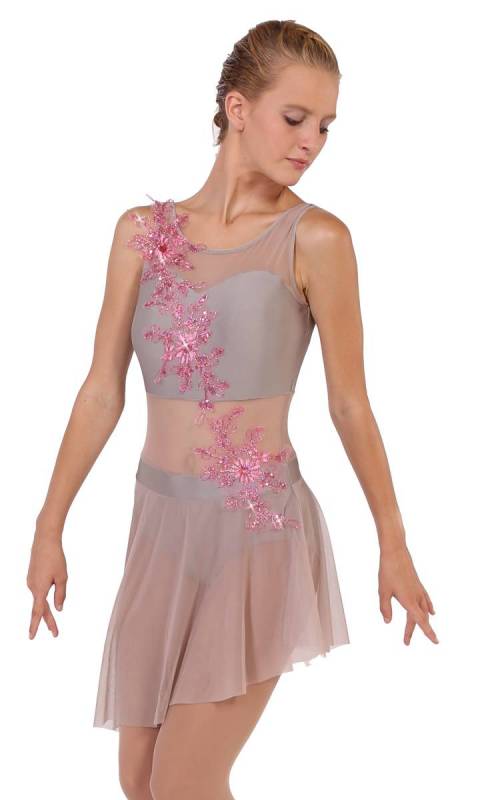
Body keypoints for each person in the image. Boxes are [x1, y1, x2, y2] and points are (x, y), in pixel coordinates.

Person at [26, 18, 438, 800]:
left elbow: (350, 403)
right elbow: (101, 389)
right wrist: (50, 528)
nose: (312, 142)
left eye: (326, 126)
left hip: (257, 532)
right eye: (296, 117)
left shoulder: (316, 239)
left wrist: (393, 542)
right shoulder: (141, 234)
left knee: (184, 781)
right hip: (159, 530)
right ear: (237, 108)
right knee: (139, 781)